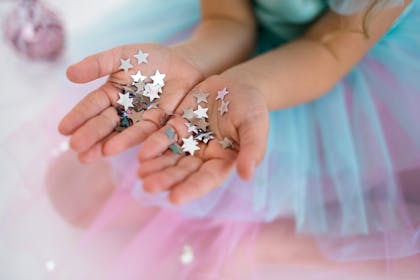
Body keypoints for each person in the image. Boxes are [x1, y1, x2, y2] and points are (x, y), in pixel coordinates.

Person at [53, 0, 420, 278]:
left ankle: (280, 242)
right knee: (75, 193)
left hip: (345, 66)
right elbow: (227, 19)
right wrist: (195, 60)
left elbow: (328, 50)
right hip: (243, 46)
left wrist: (250, 86)